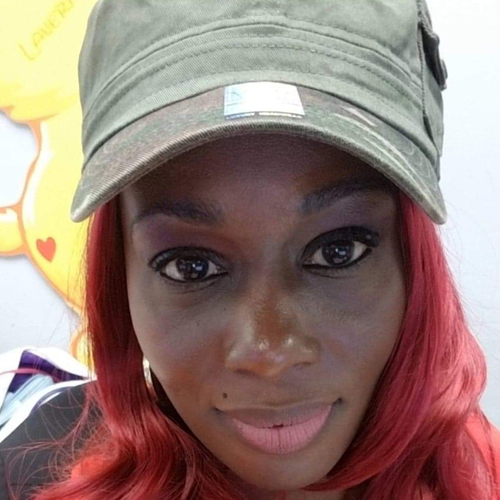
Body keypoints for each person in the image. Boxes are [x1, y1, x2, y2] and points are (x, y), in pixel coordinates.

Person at [0, 0, 499, 499]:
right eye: (191, 266)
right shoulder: (30, 471)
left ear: (412, 263)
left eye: (338, 251)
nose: (269, 353)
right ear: (121, 278)